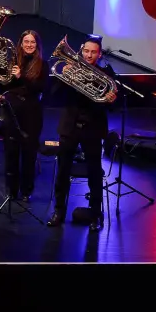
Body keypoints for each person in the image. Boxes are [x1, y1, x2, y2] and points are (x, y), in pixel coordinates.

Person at [47, 38, 116, 229]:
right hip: (69, 127)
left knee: (94, 172)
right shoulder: (71, 68)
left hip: (93, 129)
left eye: (93, 52)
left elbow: (113, 106)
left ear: (99, 54)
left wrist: (111, 100)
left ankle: (95, 214)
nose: (89, 55)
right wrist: (65, 76)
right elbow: (54, 96)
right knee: (62, 171)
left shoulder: (107, 73)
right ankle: (59, 211)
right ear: (81, 51)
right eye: (86, 51)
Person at [0, 30, 46, 200]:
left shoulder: (42, 65)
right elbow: (5, 84)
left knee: (28, 154)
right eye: (26, 41)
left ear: (37, 45)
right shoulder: (13, 61)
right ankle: (11, 190)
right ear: (21, 43)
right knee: (11, 154)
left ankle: (26, 191)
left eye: (32, 42)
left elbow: (38, 89)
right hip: (12, 112)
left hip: (31, 115)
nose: (29, 45)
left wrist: (22, 77)